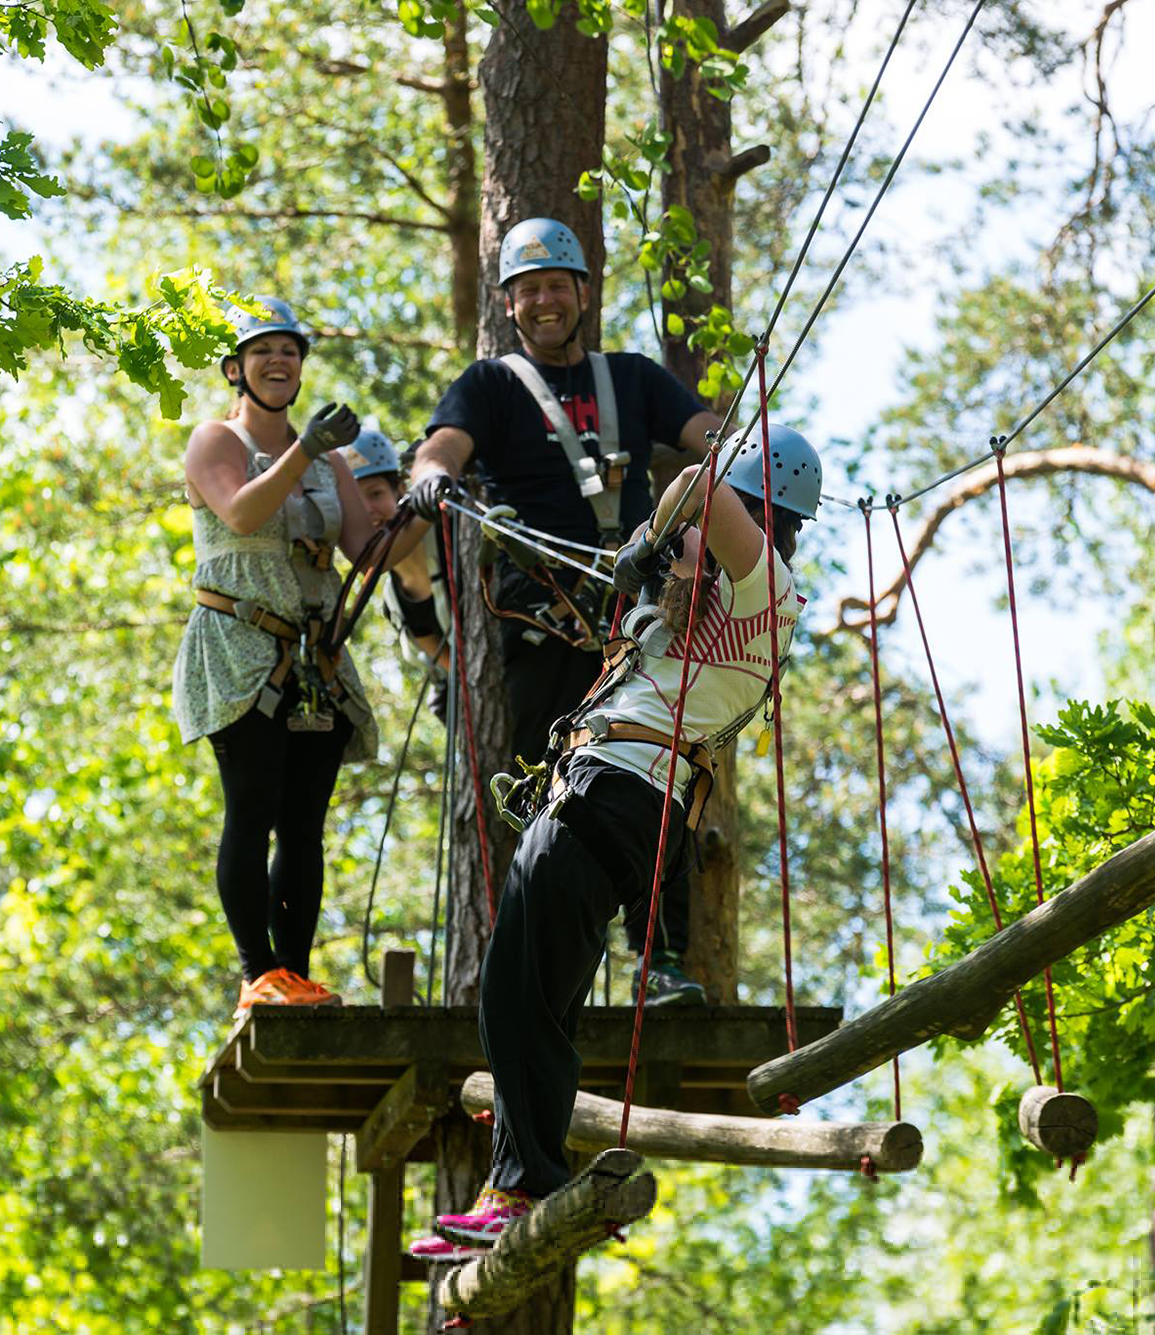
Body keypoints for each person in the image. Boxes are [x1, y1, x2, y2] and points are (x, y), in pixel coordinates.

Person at [411, 426, 822, 1259]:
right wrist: (652, 558)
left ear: (757, 512)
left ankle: (523, 1184)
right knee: (536, 995)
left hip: (619, 790)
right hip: (624, 796)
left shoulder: (763, 584)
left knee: (514, 992)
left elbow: (696, 482)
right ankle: (511, 1189)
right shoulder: (714, 605)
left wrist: (651, 537)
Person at [405, 216, 727, 1006]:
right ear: (508, 304)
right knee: (551, 789)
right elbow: (443, 446)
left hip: (637, 612)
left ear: (584, 293)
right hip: (544, 615)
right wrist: (431, 476)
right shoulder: (490, 386)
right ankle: (549, 966)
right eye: (529, 291)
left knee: (662, 774)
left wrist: (746, 450)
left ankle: (659, 956)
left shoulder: (634, 379)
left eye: (557, 286)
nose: (545, 301)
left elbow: (704, 434)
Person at [173, 296, 381, 1018]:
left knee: (302, 825)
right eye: (262, 350)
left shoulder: (330, 462)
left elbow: (367, 552)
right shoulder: (216, 439)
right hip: (239, 652)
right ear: (235, 369)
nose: (278, 361)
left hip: (314, 660)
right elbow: (242, 512)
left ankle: (294, 973)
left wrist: (420, 511)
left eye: (289, 350)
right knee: (253, 809)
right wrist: (306, 450)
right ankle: (257, 972)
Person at [338, 429, 449, 675]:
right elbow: (457, 670)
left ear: (400, 489)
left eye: (376, 494)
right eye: (354, 503)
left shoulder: (452, 538)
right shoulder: (395, 602)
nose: (367, 510)